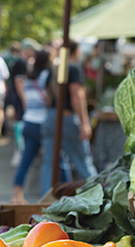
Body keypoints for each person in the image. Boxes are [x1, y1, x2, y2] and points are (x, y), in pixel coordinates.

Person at [40, 40, 97, 196]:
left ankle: (45, 202)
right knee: (83, 162)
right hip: (66, 117)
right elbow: (76, 95)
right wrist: (85, 123)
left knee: (49, 163)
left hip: (51, 116)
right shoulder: (73, 68)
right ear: (76, 51)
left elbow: (46, 93)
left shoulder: (54, 68)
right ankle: (100, 195)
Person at [11, 50, 52, 204]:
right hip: (42, 122)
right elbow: (47, 99)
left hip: (28, 121)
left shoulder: (28, 78)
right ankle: (48, 196)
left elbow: (25, 100)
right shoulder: (46, 77)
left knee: (25, 160)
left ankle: (16, 195)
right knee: (51, 161)